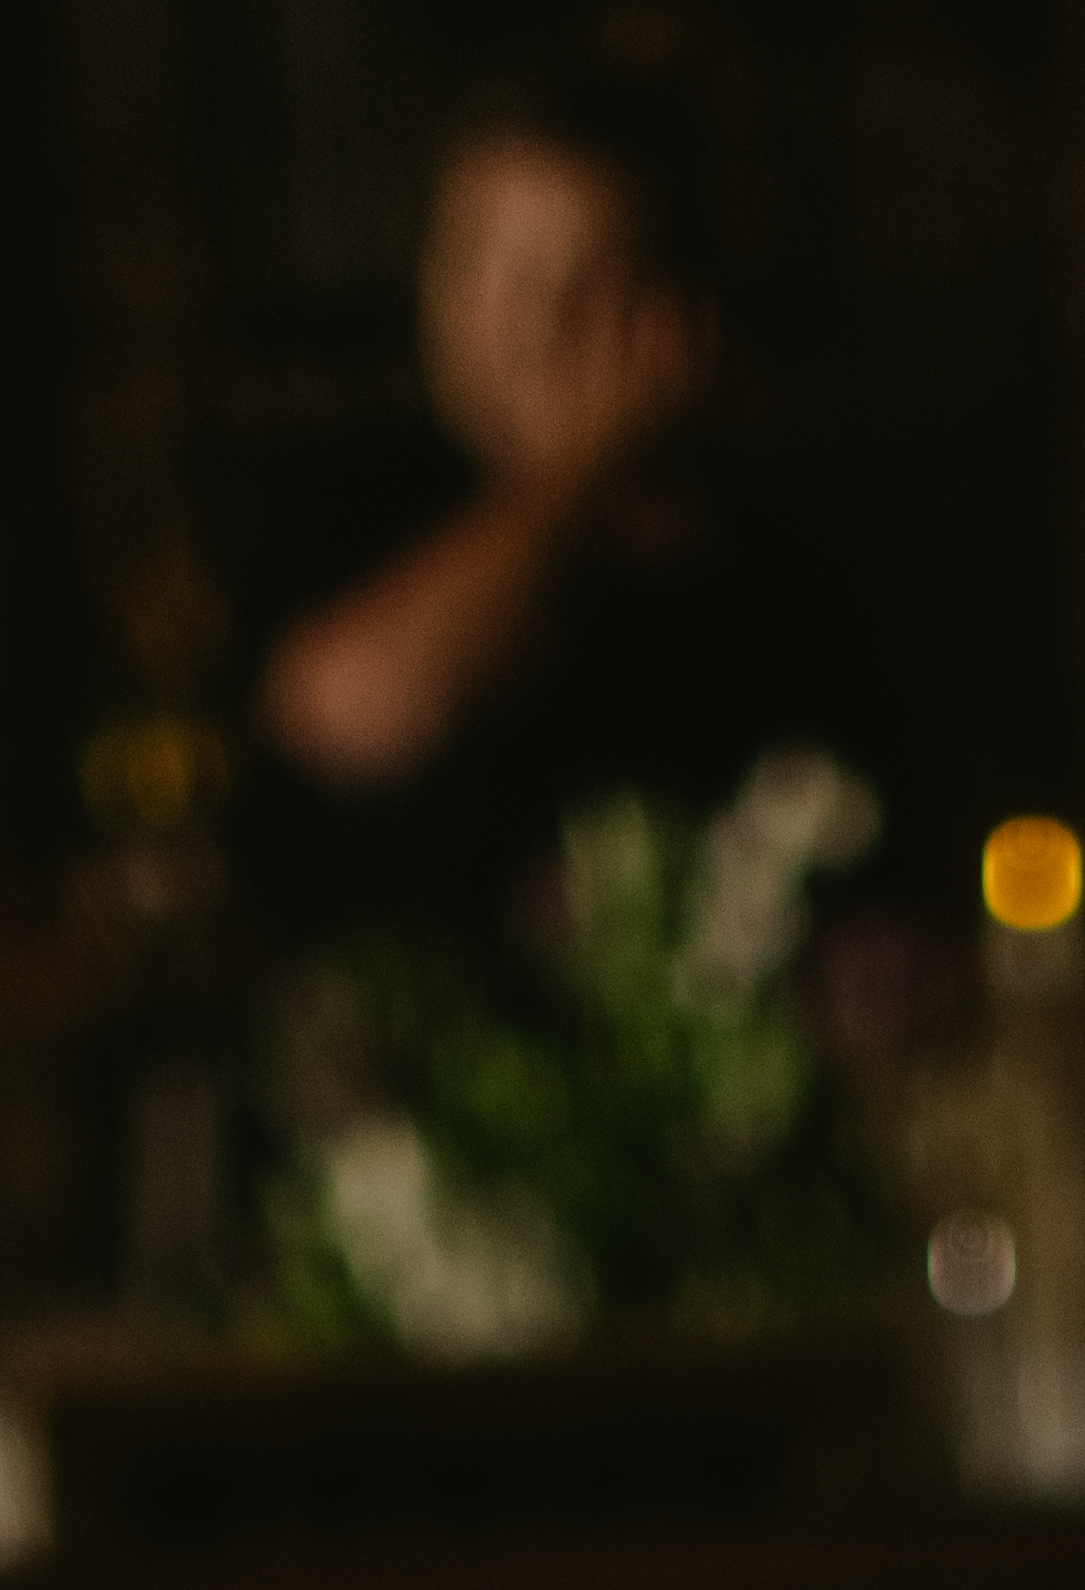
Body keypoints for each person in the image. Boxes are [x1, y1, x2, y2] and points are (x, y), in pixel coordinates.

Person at [251, 66, 842, 943]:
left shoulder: (783, 556)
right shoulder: (345, 495)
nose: (522, 325)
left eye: (580, 278)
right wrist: (576, 474)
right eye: (477, 266)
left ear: (668, 313)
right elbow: (353, 717)